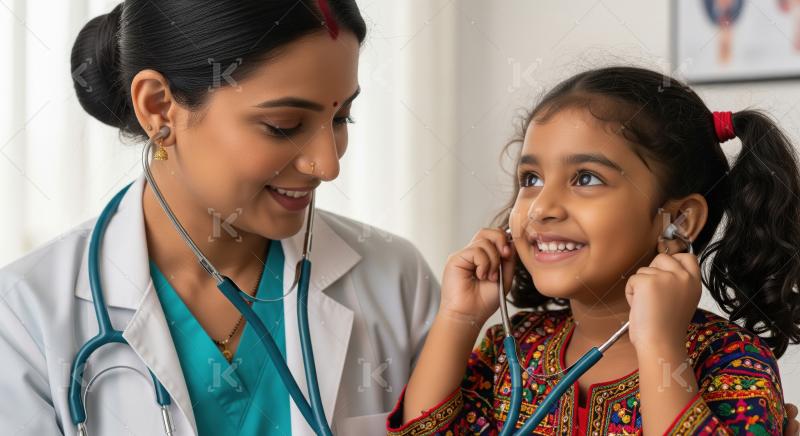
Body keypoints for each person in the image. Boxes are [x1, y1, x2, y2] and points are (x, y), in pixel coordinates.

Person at [0, 1, 438, 435]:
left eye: (341, 118)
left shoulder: (397, 281)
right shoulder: (22, 320)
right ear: (158, 108)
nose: (328, 166)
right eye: (283, 125)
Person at [387, 66, 800, 434]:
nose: (542, 208)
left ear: (677, 220)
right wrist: (458, 318)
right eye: (531, 179)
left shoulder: (731, 359)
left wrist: (659, 345)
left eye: (585, 178)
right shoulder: (508, 348)